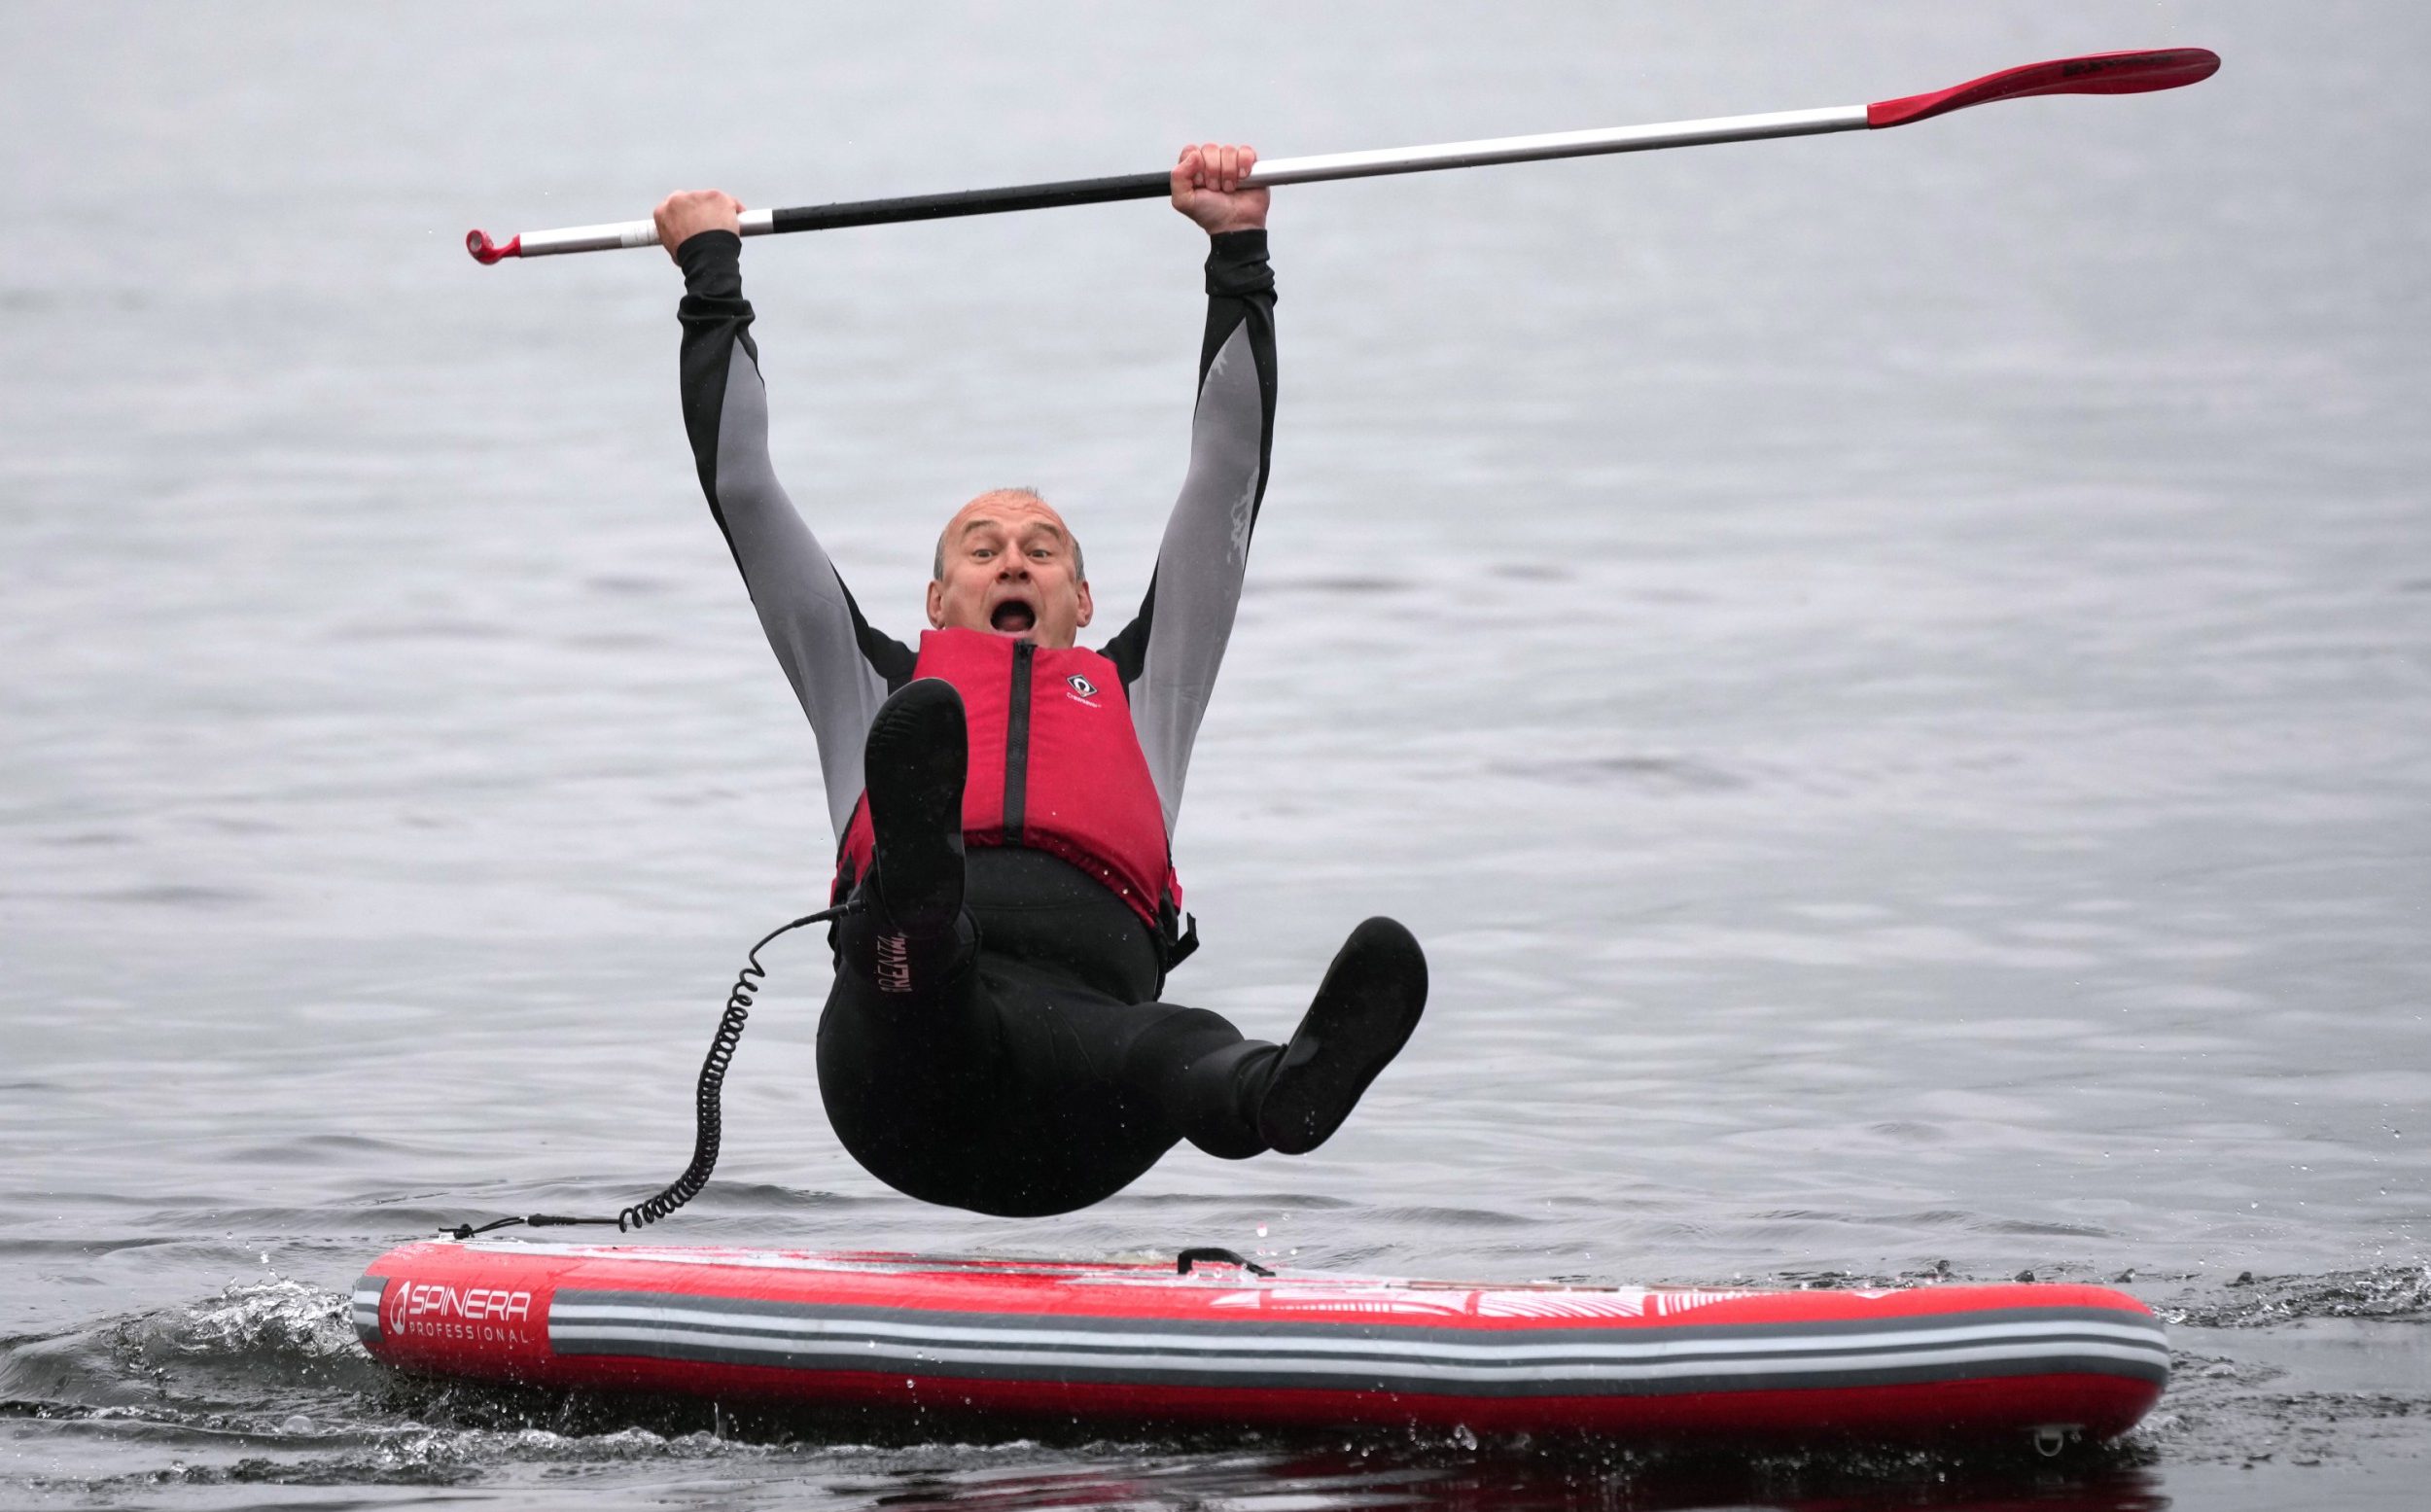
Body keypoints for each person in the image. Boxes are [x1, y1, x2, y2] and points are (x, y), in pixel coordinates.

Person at [652, 144, 1426, 1218]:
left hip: (1084, 1100)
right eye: (980, 545)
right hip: (902, 1061)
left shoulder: (1148, 690)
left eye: (1041, 546)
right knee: (916, 940)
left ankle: (1276, 1093)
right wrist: (710, 276)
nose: (1013, 557)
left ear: (1083, 598)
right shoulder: (865, 684)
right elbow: (745, 489)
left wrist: (1237, 247)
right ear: (934, 604)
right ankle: (921, 885)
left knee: (1184, 1043)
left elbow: (1226, 474)